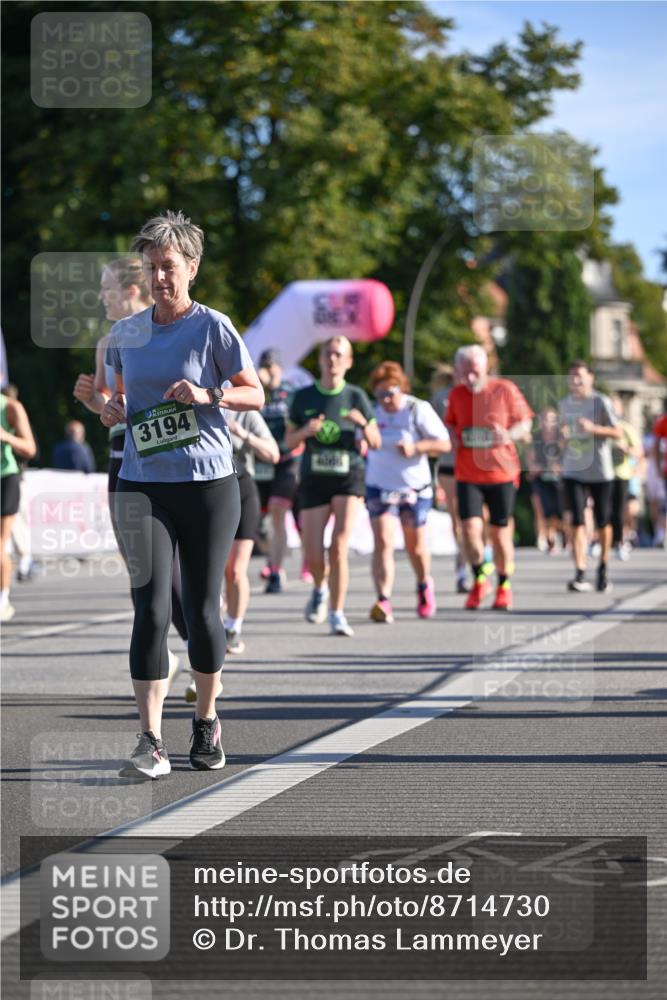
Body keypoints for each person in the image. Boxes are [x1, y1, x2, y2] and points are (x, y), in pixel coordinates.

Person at [101, 210, 264, 778]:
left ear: (191, 268)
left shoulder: (214, 327)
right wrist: (112, 409)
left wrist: (208, 392)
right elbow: (113, 402)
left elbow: (256, 394)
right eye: (151, 268)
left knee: (199, 608)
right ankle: (149, 739)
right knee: (148, 607)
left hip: (209, 487)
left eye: (168, 267)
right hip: (142, 486)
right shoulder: (125, 334)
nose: (159, 278)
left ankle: (206, 718)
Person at [73, 257, 185, 688]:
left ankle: (200, 651)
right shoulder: (108, 343)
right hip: (122, 461)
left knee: (172, 573)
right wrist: (92, 403)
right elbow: (110, 410)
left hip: (167, 461)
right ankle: (162, 657)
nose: (102, 296)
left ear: (132, 291)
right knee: (142, 569)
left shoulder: (168, 331)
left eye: (107, 288)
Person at [284, 335, 380, 636]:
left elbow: (376, 441)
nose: (333, 359)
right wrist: (305, 431)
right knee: (313, 553)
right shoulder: (302, 398)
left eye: (339, 354)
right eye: (328, 353)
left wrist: (363, 424)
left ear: (349, 362)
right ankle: (320, 587)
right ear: (321, 358)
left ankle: (338, 613)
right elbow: (288, 441)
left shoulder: (356, 397)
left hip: (349, 476)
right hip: (313, 478)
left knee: (338, 545)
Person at [445, 344, 533, 611]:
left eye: (474, 371)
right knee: (469, 530)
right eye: (464, 372)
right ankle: (480, 578)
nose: (470, 377)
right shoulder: (457, 394)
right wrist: (451, 435)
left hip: (501, 473)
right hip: (468, 474)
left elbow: (526, 422)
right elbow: (449, 422)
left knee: (499, 534)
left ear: (485, 368)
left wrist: (508, 434)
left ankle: (504, 584)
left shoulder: (504, 389)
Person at [365, 361, 450, 623]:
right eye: (381, 394)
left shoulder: (417, 409)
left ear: (402, 388)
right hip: (380, 485)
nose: (387, 399)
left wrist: (417, 447)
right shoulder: (371, 411)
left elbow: (444, 443)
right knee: (383, 543)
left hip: (415, 487)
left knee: (415, 546)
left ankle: (424, 584)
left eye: (392, 392)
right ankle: (383, 600)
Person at [558, 361, 621, 593]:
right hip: (572, 469)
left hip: (599, 470)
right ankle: (580, 571)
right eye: (572, 376)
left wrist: (594, 429)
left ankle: (603, 567)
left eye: (580, 376)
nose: (575, 381)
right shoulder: (564, 405)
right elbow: (564, 435)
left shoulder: (600, 402)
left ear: (590, 378)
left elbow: (618, 432)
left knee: (603, 521)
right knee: (576, 521)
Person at [254, 348, 302, 593]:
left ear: (280, 369)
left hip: (286, 460)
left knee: (278, 511)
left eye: (271, 367)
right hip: (260, 462)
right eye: (263, 366)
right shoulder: (255, 392)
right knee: (257, 522)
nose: (266, 372)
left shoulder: (291, 394)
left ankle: (274, 570)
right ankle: (274, 562)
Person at [430, 363, 469, 593]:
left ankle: (478, 555)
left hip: (476, 466)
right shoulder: (440, 398)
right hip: (448, 464)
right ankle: (462, 568)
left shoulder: (479, 395)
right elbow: (429, 431)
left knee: (475, 519)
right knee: (458, 520)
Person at [1, 388, 37, 621]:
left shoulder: (11, 407)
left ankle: (3, 599)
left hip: (5, 479)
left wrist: (5, 436)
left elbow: (30, 448)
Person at [610, 395, 643, 560]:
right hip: (603, 475)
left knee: (624, 510)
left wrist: (626, 450)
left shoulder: (626, 428)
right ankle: (604, 541)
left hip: (623, 474)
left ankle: (622, 539)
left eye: (615, 407)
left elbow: (639, 452)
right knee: (603, 511)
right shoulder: (600, 428)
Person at [527, 407, 563, 554]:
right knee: (542, 509)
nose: (548, 422)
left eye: (552, 419)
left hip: (557, 479)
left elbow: (568, 457)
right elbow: (530, 458)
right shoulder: (536, 437)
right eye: (545, 418)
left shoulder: (561, 437)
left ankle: (555, 534)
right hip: (540, 478)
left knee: (557, 512)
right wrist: (533, 467)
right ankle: (547, 538)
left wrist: (560, 467)